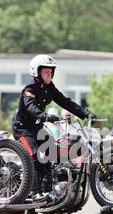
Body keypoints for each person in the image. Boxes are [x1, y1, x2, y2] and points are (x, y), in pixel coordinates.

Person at [12, 54, 97, 202]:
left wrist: (85, 113)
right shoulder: (29, 89)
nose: (49, 74)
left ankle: (49, 188)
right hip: (23, 128)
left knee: (52, 153)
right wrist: (44, 116)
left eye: (51, 72)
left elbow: (65, 102)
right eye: (46, 72)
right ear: (36, 72)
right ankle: (35, 192)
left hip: (37, 127)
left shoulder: (49, 88)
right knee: (33, 154)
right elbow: (31, 107)